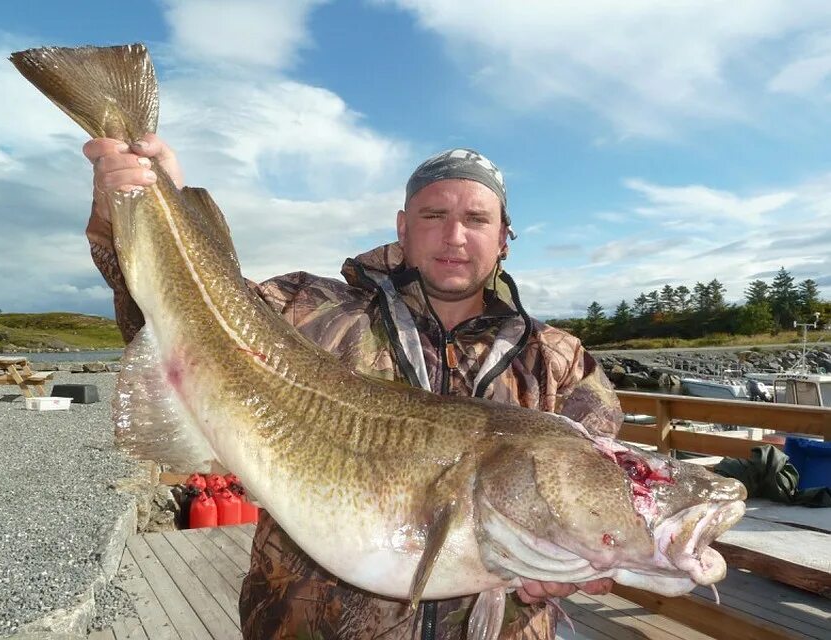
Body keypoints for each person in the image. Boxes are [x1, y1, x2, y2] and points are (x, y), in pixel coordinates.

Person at [84, 135, 624, 639]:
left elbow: (611, 488)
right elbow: (174, 316)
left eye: (476, 219)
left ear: (505, 237)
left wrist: (582, 561)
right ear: (402, 226)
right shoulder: (306, 311)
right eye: (433, 215)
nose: (454, 236)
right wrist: (149, 204)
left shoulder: (559, 360)